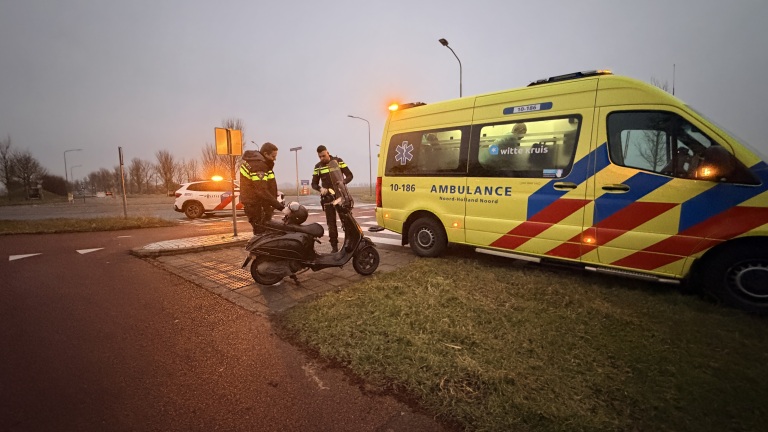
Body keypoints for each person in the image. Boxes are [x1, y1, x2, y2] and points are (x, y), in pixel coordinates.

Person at [311, 145, 353, 252]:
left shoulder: (338, 161)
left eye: (323, 156)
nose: (322, 158)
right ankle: (334, 248)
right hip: (328, 199)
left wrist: (343, 182)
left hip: (341, 197)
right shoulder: (318, 167)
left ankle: (351, 244)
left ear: (328, 153)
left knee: (347, 221)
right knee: (331, 224)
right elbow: (314, 184)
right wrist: (321, 189)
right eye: (319, 157)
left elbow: (350, 175)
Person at [239, 142, 286, 234]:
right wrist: (281, 207)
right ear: (265, 154)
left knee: (262, 232)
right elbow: (261, 191)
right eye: (273, 156)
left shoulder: (254, 163)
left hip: (256, 205)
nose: (275, 159)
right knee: (261, 233)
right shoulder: (259, 166)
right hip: (257, 206)